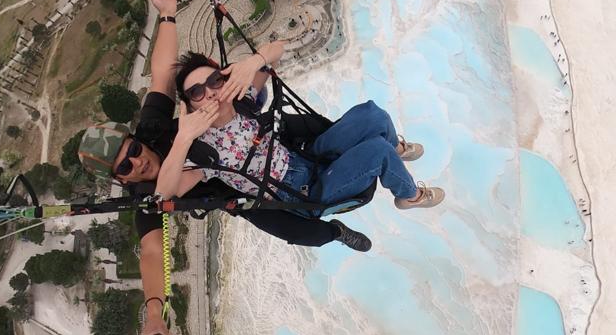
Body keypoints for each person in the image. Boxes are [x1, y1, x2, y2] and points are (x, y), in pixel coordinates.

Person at [77, 0, 370, 335]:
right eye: (123, 168)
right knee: (299, 232)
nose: (134, 163)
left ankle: (374, 142)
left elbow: (164, 74)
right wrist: (155, 314)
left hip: (246, 136)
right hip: (236, 189)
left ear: (134, 140)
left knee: (311, 129)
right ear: (119, 179)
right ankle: (337, 233)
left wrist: (168, 15)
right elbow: (152, 253)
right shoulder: (144, 197)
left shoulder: (152, 129)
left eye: (131, 151)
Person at [154, 50, 445, 213]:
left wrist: (250, 65)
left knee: (373, 115)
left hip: (305, 158)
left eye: (215, 81)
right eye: (196, 92)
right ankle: (408, 195)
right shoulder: (203, 153)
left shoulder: (244, 102)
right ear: (189, 105)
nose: (210, 93)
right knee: (376, 151)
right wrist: (184, 136)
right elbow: (165, 194)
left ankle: (395, 151)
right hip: (304, 193)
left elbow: (277, 50)